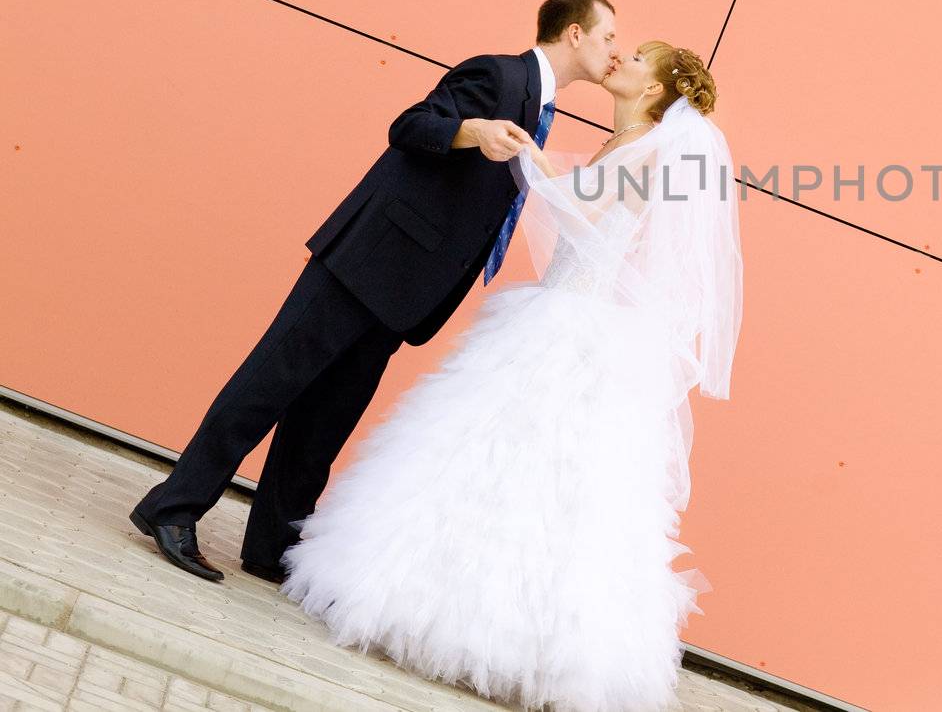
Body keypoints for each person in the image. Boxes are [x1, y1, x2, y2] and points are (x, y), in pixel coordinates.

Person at [278, 42, 742, 712]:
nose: (624, 60)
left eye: (639, 58)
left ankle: (519, 641)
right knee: (485, 460)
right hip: (556, 311)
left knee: (543, 477)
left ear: (660, 87)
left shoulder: (649, 151)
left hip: (574, 328)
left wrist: (534, 164)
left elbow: (586, 220)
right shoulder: (624, 142)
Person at [130, 0, 620, 583]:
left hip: (407, 290)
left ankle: (272, 548)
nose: (613, 51)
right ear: (574, 34)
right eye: (608, 37)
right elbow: (411, 125)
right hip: (362, 263)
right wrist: (473, 132)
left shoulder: (541, 105)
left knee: (326, 419)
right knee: (268, 384)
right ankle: (173, 508)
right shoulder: (499, 75)